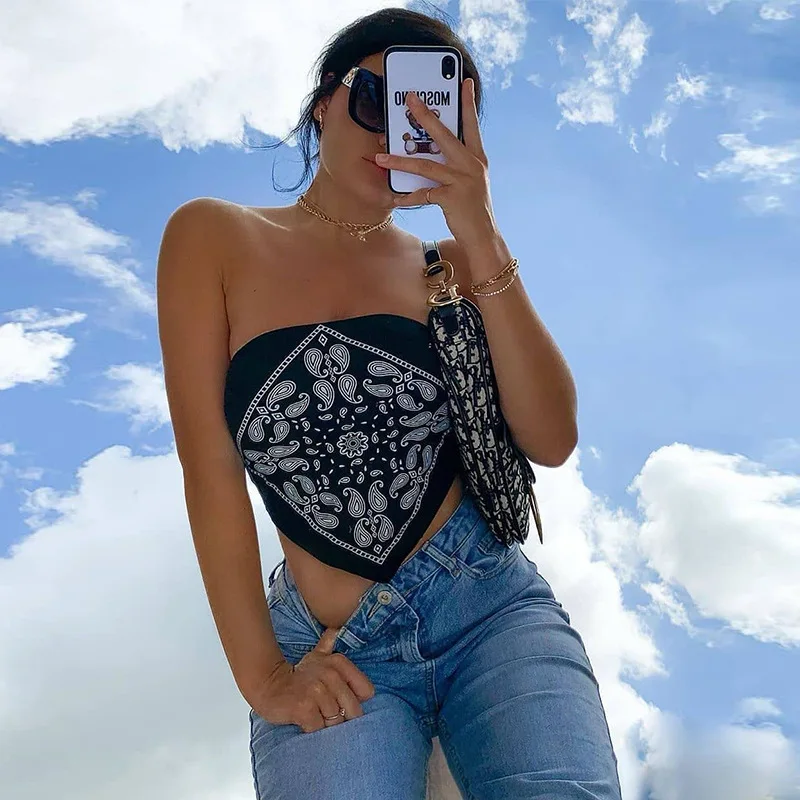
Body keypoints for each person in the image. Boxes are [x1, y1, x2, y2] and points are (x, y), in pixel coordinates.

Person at [156, 7, 622, 799]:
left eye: (431, 114)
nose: (395, 131)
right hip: (334, 644)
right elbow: (210, 468)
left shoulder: (453, 264)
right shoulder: (215, 238)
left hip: (489, 607)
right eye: (375, 99)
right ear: (322, 105)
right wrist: (263, 677)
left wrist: (479, 227)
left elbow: (551, 438)